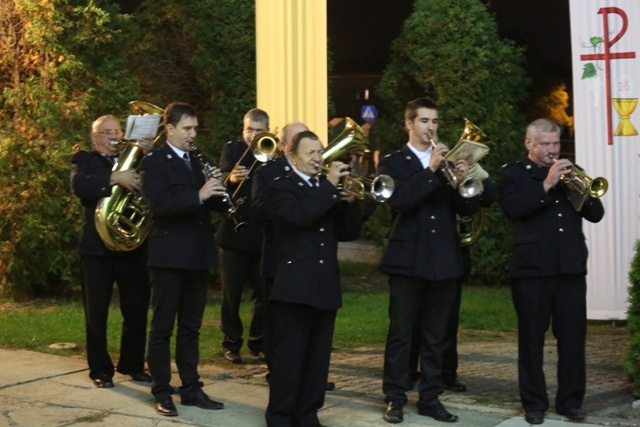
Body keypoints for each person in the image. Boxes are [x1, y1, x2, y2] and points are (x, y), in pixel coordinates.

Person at [378, 98, 482, 424]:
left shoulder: (448, 161)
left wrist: (464, 179)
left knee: (437, 336)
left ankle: (430, 397)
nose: (431, 127)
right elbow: (400, 201)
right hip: (407, 259)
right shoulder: (394, 162)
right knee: (401, 333)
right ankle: (395, 397)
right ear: (409, 124)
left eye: (435, 121)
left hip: (444, 259)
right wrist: (431, 171)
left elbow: (466, 209)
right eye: (424, 121)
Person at [497, 118, 605, 425]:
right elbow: (513, 209)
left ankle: (571, 402)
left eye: (556, 143)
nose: (552, 150)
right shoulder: (513, 174)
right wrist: (546, 183)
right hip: (531, 269)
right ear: (528, 143)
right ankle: (534, 403)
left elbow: (595, 215)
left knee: (573, 338)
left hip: (570, 267)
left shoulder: (572, 172)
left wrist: (583, 189)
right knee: (531, 338)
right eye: (545, 144)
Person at [263, 130, 362, 427]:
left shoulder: (325, 189)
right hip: (293, 285)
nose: (318, 158)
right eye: (311, 153)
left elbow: (347, 233)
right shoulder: (281, 187)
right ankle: (280, 417)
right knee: (289, 360)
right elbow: (300, 216)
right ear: (292, 156)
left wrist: (350, 203)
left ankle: (308, 415)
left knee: (317, 362)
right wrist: (330, 187)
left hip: (324, 284)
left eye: (320, 152)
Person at [140, 102, 227, 417]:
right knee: (163, 328)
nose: (193, 134)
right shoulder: (154, 162)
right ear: (171, 129)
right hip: (169, 256)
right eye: (188, 129)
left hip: (197, 254)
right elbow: (160, 205)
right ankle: (162, 391)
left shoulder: (197, 160)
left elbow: (213, 206)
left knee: (191, 327)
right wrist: (199, 195)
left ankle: (191, 388)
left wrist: (222, 187)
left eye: (195, 128)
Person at [71, 114, 152, 389]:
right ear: (95, 138)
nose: (115, 135)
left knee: (137, 309)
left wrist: (148, 157)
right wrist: (115, 177)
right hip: (97, 250)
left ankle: (132, 364)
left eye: (118, 130)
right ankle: (100, 370)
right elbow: (80, 186)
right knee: (97, 312)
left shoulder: (138, 158)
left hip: (132, 248)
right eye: (108, 132)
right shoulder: (85, 159)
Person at [408, 175, 497, 392]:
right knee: (413, 320)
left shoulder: (457, 167)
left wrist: (472, 173)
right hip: (418, 252)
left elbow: (489, 196)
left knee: (448, 319)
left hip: (450, 253)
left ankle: (447, 374)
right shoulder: (415, 167)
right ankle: (409, 372)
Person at [251, 121, 307, 368]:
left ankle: (307, 371)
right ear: (283, 146)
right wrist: (287, 204)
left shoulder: (315, 170)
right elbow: (257, 209)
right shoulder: (267, 171)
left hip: (308, 258)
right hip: (278, 256)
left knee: (306, 319)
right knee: (277, 323)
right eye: (296, 141)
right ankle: (278, 372)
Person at [217, 108, 270, 364]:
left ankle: (258, 341)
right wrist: (231, 177)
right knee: (231, 294)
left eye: (259, 131)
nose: (254, 135)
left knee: (263, 293)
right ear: (243, 129)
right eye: (250, 130)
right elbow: (221, 180)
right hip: (234, 234)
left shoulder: (272, 152)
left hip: (261, 236)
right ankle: (231, 343)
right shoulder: (233, 149)